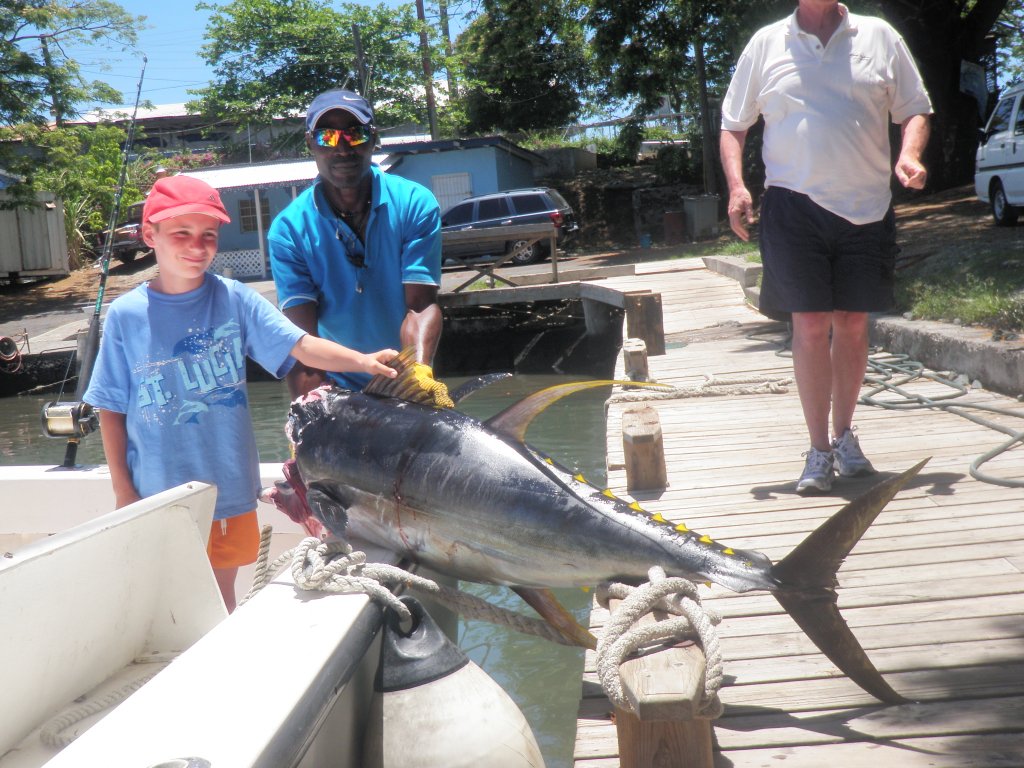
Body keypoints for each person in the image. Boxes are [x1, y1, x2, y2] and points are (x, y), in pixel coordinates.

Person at [84, 175, 399, 612]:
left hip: (226, 486)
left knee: (220, 595)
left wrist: (363, 361)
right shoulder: (124, 316)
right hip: (155, 492)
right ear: (148, 235)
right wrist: (123, 489)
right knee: (168, 596)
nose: (197, 246)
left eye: (208, 235)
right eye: (182, 233)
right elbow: (109, 406)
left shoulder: (235, 299)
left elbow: (301, 345)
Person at [719, 0, 932, 494]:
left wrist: (911, 155)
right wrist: (736, 186)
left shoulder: (879, 36)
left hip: (867, 204)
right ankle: (818, 451)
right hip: (794, 205)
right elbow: (734, 124)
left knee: (852, 324)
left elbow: (915, 108)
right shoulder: (767, 43)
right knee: (810, 324)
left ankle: (844, 437)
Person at [268, 88, 449, 404]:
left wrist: (416, 373)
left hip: (404, 380)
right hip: (336, 388)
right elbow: (301, 341)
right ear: (310, 142)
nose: (341, 148)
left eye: (355, 135)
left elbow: (419, 307)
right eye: (327, 137)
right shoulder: (288, 231)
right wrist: (310, 413)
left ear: (373, 138)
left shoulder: (415, 204)